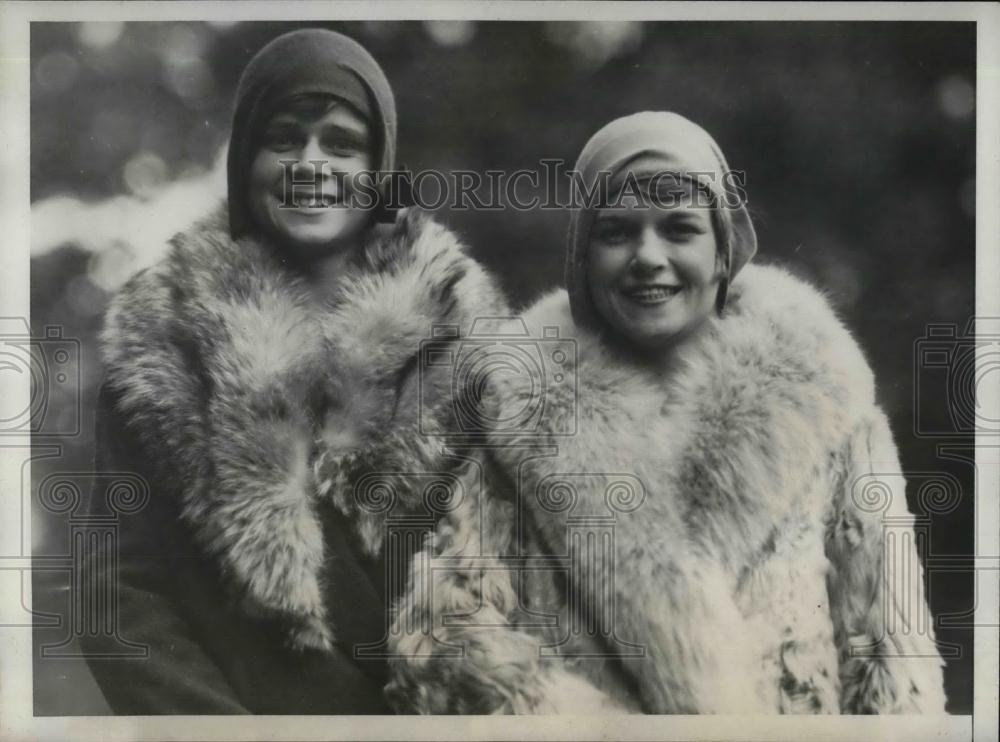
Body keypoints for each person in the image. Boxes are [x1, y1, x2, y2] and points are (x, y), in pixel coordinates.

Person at [386, 111, 947, 714]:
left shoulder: (834, 415)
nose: (648, 257)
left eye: (679, 229)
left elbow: (896, 673)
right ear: (581, 255)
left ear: (725, 250)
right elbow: (441, 642)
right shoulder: (516, 417)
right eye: (617, 232)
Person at [81, 27, 505, 714]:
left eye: (341, 143)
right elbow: (123, 602)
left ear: (380, 168)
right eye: (284, 139)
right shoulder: (163, 351)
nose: (312, 163)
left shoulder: (466, 346)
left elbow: (520, 574)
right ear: (245, 160)